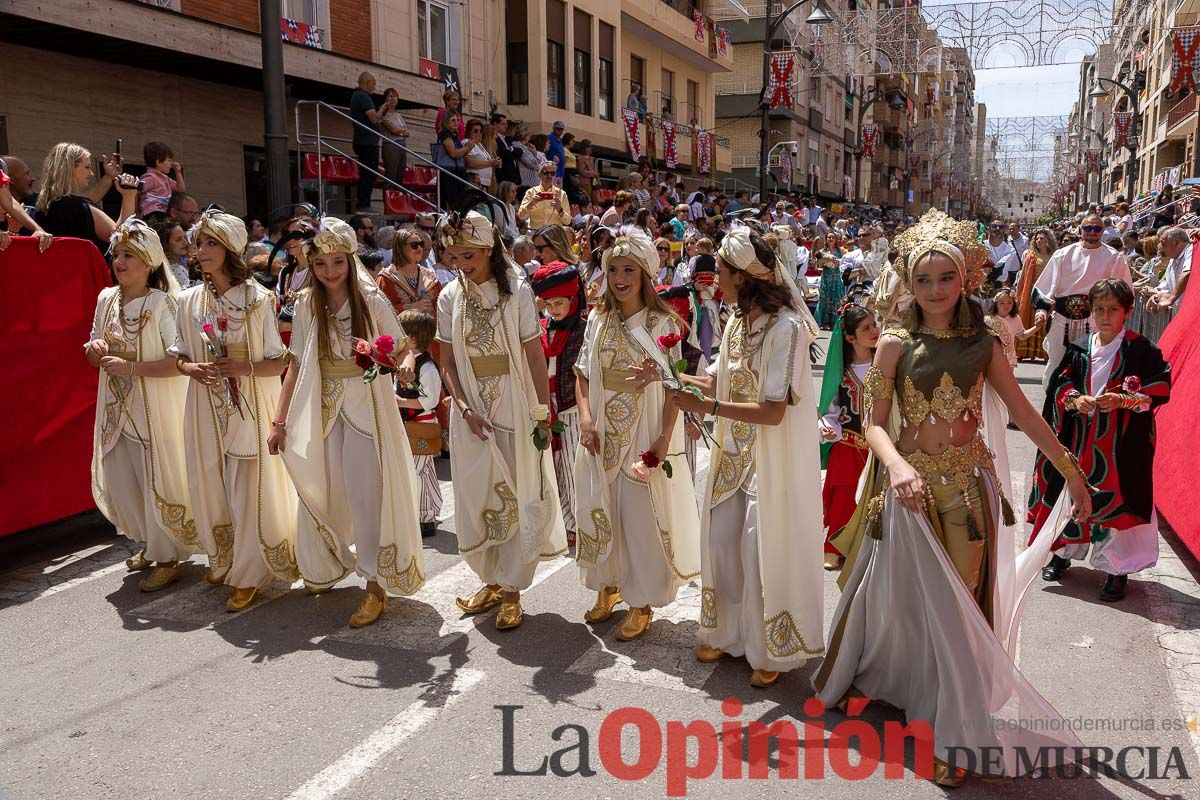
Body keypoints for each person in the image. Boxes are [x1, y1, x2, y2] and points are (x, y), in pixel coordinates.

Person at [814, 210, 1092, 786]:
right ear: (908, 284)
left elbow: (1021, 411)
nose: (935, 289)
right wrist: (894, 468)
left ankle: (957, 736)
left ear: (964, 278)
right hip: (908, 491)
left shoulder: (983, 343)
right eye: (924, 280)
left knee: (960, 610)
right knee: (909, 602)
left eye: (946, 277)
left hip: (967, 489)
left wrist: (1071, 471)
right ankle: (899, 685)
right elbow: (874, 423)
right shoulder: (892, 344)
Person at [666, 228, 822, 688]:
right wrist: (666, 374)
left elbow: (773, 412)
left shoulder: (787, 330)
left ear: (744, 276)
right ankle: (727, 633)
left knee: (760, 550)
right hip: (730, 455)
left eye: (721, 270)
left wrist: (706, 408)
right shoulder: (736, 322)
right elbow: (716, 383)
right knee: (720, 544)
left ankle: (771, 648)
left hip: (769, 462)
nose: (714, 277)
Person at [268, 218, 424, 626]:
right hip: (321, 407)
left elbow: (403, 346)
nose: (330, 272)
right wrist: (280, 420)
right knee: (321, 488)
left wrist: (404, 365)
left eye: (338, 262)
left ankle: (374, 585)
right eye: (321, 264)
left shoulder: (370, 299)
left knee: (364, 494)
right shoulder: (305, 304)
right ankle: (326, 558)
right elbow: (297, 364)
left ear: (350, 260)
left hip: (364, 406)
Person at [435, 211, 567, 630]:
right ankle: (490, 581)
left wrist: (542, 411)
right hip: (470, 410)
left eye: (468, 254)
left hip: (514, 405)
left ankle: (512, 591)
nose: (461, 263)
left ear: (489, 249)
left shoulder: (518, 293)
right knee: (477, 499)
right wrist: (463, 407)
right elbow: (447, 359)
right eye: (453, 255)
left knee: (517, 492)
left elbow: (532, 354)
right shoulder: (448, 297)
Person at [572, 230, 700, 640]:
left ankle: (641, 601)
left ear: (645, 273)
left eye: (628, 269)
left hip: (641, 429)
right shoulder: (597, 318)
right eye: (612, 269)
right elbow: (582, 373)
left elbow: (672, 388)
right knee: (600, 506)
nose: (619, 277)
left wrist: (663, 438)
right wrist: (587, 419)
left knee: (638, 516)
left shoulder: (662, 323)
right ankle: (608, 586)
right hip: (600, 431)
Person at [170, 210, 298, 612]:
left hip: (248, 406)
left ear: (230, 249)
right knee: (208, 484)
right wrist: (191, 367)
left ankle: (249, 572)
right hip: (203, 405)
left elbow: (279, 362)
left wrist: (243, 367)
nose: (202, 250)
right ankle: (223, 556)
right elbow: (178, 356)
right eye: (199, 242)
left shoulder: (256, 299)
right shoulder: (188, 299)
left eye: (211, 243)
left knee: (247, 487)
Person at [1032, 278, 1169, 602]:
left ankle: (1116, 569)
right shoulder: (1080, 348)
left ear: (1127, 311)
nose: (1105, 316)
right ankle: (1062, 553)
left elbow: (1161, 386)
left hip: (1121, 447)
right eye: (1099, 309)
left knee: (1117, 499)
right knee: (1071, 494)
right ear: (1091, 312)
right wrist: (1075, 399)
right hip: (1080, 442)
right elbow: (1061, 384)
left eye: (1112, 309)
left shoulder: (1140, 349)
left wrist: (1125, 400)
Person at [86, 218, 195, 589]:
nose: (119, 260)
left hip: (152, 410)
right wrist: (95, 349)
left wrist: (132, 367)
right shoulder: (106, 299)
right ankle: (151, 543)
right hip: (116, 409)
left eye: (129, 254)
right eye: (116, 253)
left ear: (148, 262)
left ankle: (168, 555)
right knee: (124, 479)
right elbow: (90, 354)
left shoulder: (162, 303)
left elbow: (179, 363)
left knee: (155, 478)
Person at [1033, 212, 1133, 387]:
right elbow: (1045, 285)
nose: (1092, 232)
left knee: (1093, 362)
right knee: (1056, 362)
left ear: (1103, 231)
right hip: (1062, 319)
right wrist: (1041, 310)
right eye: (1088, 228)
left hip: (1095, 319)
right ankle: (1052, 403)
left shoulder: (1113, 257)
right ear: (1080, 230)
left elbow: (1124, 290)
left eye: (1097, 229)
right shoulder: (1063, 254)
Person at [818, 303, 878, 571]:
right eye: (866, 328)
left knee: (875, 497)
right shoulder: (841, 374)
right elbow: (830, 410)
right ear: (850, 337)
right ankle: (835, 546)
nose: (875, 331)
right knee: (844, 496)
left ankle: (870, 547)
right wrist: (828, 427)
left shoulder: (885, 365)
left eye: (875, 324)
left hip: (880, 447)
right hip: (849, 444)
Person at [531, 261, 587, 548]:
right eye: (549, 304)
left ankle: (576, 522)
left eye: (559, 303)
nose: (553, 309)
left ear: (573, 299)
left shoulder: (586, 330)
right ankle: (556, 520)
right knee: (550, 465)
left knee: (572, 466)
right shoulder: (540, 329)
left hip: (572, 407)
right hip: (545, 405)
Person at [35, 142, 136, 255]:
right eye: (87, 167)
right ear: (70, 168)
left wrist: (109, 177)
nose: (92, 173)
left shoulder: (48, 204)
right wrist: (129, 196)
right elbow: (119, 236)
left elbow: (88, 199)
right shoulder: (75, 205)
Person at [396, 309, 444, 538]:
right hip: (410, 426)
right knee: (421, 470)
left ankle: (425, 516)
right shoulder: (408, 363)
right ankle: (427, 510)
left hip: (421, 427)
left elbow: (429, 400)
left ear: (412, 338)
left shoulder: (427, 367)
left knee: (420, 471)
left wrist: (400, 401)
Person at [350, 72, 392, 211]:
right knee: (368, 174)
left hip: (365, 141)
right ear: (367, 82)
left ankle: (364, 203)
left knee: (369, 173)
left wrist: (381, 110)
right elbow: (374, 118)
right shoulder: (363, 96)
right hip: (366, 142)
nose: (374, 87)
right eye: (373, 84)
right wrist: (381, 110)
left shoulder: (358, 96)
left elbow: (373, 118)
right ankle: (364, 205)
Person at [377, 227, 441, 318]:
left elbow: (442, 310)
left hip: (429, 331)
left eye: (421, 244)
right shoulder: (385, 279)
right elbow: (379, 312)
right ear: (400, 248)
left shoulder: (431, 278)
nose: (419, 249)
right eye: (414, 245)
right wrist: (410, 308)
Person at [1016, 229, 1055, 361]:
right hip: (1032, 293)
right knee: (1028, 320)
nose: (1039, 241)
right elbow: (1022, 276)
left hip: (1048, 293)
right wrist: (1018, 294)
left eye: (1042, 238)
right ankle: (1026, 352)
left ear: (1048, 240)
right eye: (1037, 239)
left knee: (1046, 321)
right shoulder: (1031, 256)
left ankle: (1045, 353)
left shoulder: (1054, 256)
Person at [138, 141, 186, 218]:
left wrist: (178, 173)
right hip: (152, 214)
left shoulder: (165, 179)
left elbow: (181, 191)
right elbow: (137, 190)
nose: (171, 163)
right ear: (158, 162)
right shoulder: (150, 177)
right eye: (169, 160)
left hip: (164, 214)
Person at [435, 111, 472, 211]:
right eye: (453, 120)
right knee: (453, 205)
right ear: (446, 121)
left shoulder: (454, 136)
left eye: (457, 120)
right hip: (449, 176)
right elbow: (453, 153)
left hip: (457, 174)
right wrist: (466, 148)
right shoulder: (446, 135)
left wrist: (468, 148)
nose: (456, 123)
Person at [518, 164, 570, 230]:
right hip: (535, 233)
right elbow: (521, 216)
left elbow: (567, 221)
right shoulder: (531, 192)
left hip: (553, 234)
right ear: (539, 174)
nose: (549, 176)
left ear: (555, 175)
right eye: (546, 173)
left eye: (552, 173)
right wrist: (531, 204)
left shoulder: (562, 194)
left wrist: (560, 210)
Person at [379, 87, 410, 187]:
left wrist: (400, 132)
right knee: (391, 175)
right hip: (391, 145)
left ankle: (397, 199)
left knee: (400, 174)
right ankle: (388, 200)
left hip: (402, 145)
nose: (393, 98)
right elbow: (393, 130)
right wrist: (401, 132)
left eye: (395, 96)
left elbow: (407, 132)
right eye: (390, 96)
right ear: (385, 99)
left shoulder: (398, 115)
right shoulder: (384, 115)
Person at [150, 217, 191, 288]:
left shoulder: (181, 263)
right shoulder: (174, 269)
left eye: (184, 237)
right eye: (178, 240)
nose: (185, 243)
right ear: (165, 244)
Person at [463, 118, 501, 190]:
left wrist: (495, 163)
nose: (478, 133)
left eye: (480, 131)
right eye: (475, 131)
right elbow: (470, 163)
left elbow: (486, 161)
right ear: (469, 132)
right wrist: (490, 163)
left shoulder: (479, 144)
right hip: (474, 183)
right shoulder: (466, 142)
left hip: (484, 184)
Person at [813, 247, 845, 328]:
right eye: (829, 237)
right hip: (826, 278)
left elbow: (842, 263)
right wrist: (830, 260)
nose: (831, 239)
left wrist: (833, 261)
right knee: (824, 299)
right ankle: (822, 321)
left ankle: (834, 322)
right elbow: (819, 264)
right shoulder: (823, 251)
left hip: (836, 277)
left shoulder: (840, 250)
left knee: (836, 299)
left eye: (833, 237)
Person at [985, 221, 1019, 286]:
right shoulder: (981, 245)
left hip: (995, 286)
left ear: (1004, 230)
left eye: (1001, 227)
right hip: (976, 285)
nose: (997, 228)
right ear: (989, 228)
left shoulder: (1010, 250)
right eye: (994, 226)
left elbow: (999, 272)